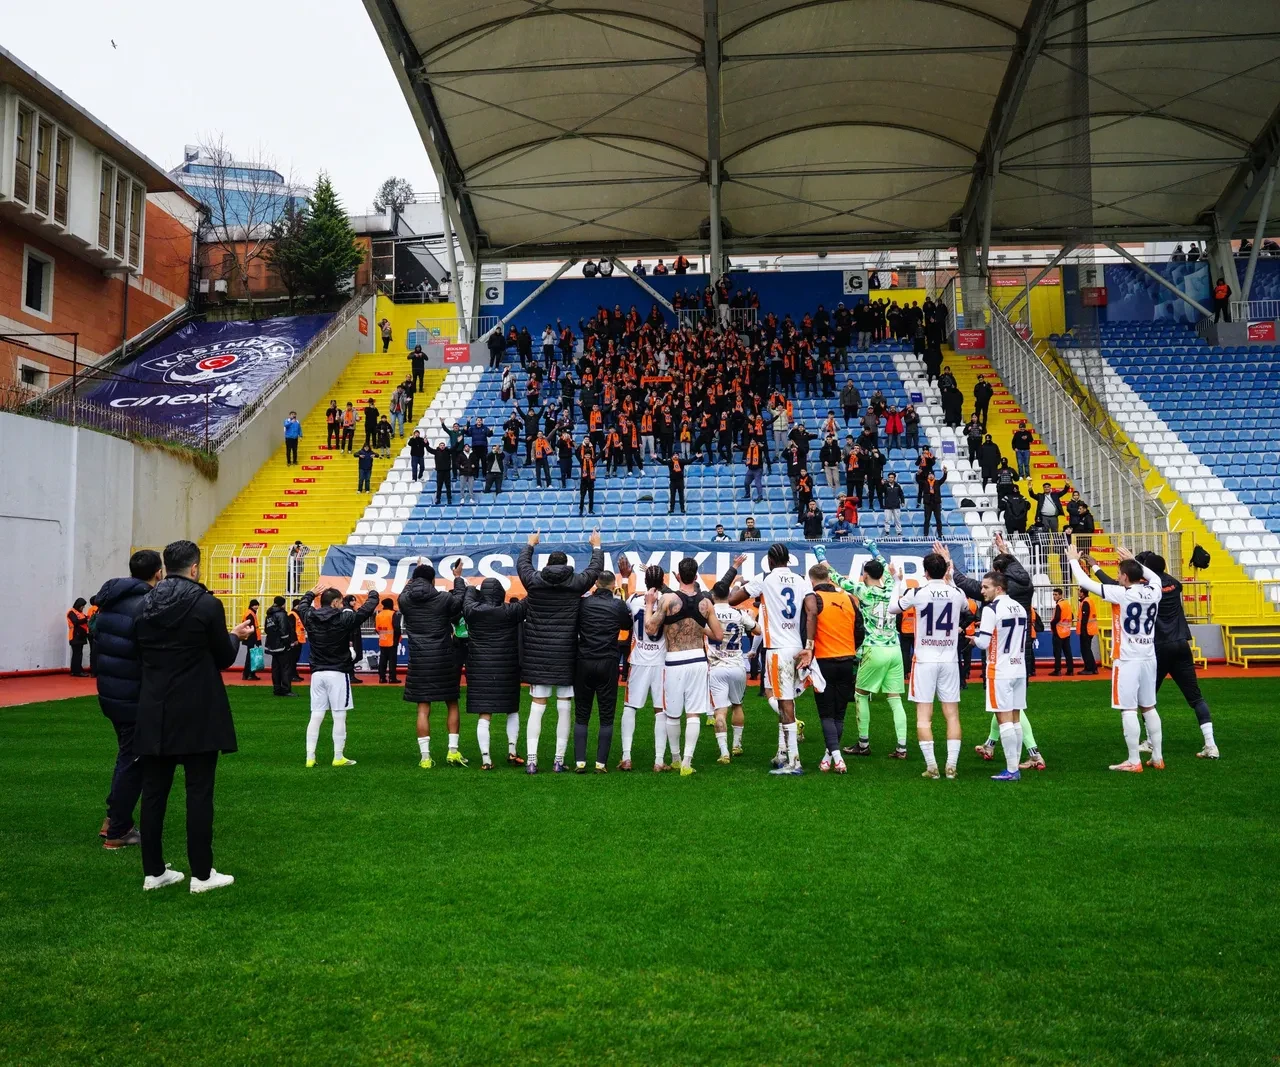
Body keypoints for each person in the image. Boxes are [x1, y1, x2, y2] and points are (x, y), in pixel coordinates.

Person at [134, 540, 254, 893]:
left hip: (155, 706)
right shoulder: (206, 604)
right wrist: (234, 636)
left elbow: (138, 651)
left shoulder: (144, 605)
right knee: (199, 792)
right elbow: (222, 658)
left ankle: (154, 872)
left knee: (154, 793)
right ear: (196, 568)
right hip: (198, 707)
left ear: (164, 568)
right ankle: (202, 874)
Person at [1089, 550, 1218, 758]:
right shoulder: (1175, 584)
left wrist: (1096, 567)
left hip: (1156, 648)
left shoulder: (1144, 589)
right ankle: (1211, 744)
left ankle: (1150, 742)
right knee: (1196, 698)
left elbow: (1115, 586)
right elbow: (1155, 578)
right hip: (1181, 643)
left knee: (1147, 702)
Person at [1067, 544, 1163, 772]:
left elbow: (1085, 583)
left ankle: (1133, 760)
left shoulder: (1123, 593)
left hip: (1128, 658)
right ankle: (1157, 757)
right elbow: (1154, 577)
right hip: (1149, 656)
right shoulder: (1155, 590)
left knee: (1128, 709)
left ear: (1126, 577)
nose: (1117, 577)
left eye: (1120, 574)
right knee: (1149, 707)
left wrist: (1072, 560)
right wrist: (1135, 561)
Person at [92, 549, 164, 850]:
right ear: (158, 573)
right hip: (132, 695)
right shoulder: (146, 604)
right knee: (133, 761)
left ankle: (114, 817)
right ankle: (118, 829)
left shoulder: (109, 602)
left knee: (127, 756)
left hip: (111, 691)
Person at [517, 529, 604, 772]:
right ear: (566, 565)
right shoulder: (575, 582)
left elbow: (522, 564)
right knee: (564, 706)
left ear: (547, 564)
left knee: (538, 705)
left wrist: (530, 544)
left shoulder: (534, 581)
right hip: (566, 653)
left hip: (538, 654)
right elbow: (595, 570)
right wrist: (596, 546)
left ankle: (532, 761)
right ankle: (558, 760)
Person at [815, 544, 909, 759]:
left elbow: (834, 577)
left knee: (860, 695)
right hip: (894, 648)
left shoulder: (863, 591)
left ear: (865, 574)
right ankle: (901, 747)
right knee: (895, 699)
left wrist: (821, 556)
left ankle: (863, 743)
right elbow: (886, 566)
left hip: (874, 649)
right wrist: (874, 550)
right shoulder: (890, 589)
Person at [729, 544, 816, 775]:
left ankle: (794, 761)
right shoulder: (800, 579)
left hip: (777, 648)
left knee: (783, 702)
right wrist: (809, 646)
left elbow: (732, 600)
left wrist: (740, 584)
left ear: (769, 560)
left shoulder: (765, 578)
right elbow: (812, 610)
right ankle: (782, 751)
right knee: (784, 699)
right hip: (797, 646)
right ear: (788, 559)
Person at [647, 557, 727, 776]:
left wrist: (647, 605)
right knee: (693, 713)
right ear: (696, 574)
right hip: (697, 660)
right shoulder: (707, 602)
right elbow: (719, 636)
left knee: (672, 714)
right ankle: (687, 762)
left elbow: (651, 629)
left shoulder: (667, 599)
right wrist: (699, 628)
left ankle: (675, 758)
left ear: (678, 576)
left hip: (674, 660)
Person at [893, 552, 968, 778]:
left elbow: (892, 608)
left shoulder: (917, 592)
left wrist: (897, 581)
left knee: (924, 716)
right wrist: (951, 575)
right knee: (952, 715)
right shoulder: (956, 593)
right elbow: (965, 607)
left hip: (925, 659)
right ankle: (951, 766)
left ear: (924, 572)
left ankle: (932, 767)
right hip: (949, 659)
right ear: (944, 570)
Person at [296, 586, 379, 766]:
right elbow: (367, 609)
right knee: (339, 715)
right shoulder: (343, 618)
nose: (342, 605)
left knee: (316, 715)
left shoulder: (310, 617)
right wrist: (372, 591)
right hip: (337, 672)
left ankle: (310, 757)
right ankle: (338, 756)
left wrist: (310, 593)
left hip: (317, 673)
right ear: (335, 602)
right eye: (340, 602)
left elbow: (302, 605)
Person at [456, 575, 527, 769]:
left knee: (484, 715)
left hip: (480, 668)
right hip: (507, 669)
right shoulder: (511, 611)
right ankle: (512, 751)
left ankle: (486, 759)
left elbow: (467, 596)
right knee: (512, 710)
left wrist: (469, 585)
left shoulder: (472, 610)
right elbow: (532, 598)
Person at [401, 561, 466, 767]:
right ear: (433, 580)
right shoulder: (444, 598)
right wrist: (457, 577)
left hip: (420, 660)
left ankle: (425, 757)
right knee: (452, 703)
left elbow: (406, 589)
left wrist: (415, 575)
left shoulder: (404, 600)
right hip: (444, 658)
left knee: (423, 708)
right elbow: (460, 599)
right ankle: (452, 751)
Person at [971, 570, 1029, 782]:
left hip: (1000, 670)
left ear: (998, 588)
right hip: (1018, 667)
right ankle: (1014, 766)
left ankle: (1012, 769)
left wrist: (972, 639)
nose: (982, 590)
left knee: (1003, 719)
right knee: (1015, 719)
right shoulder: (1020, 607)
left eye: (986, 587)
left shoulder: (991, 609)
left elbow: (984, 642)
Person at [574, 571, 634, 772]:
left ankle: (580, 762)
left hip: (584, 661)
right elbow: (627, 624)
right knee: (606, 716)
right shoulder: (617, 604)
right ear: (612, 584)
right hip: (608, 662)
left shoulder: (583, 603)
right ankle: (601, 763)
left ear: (596, 583)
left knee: (582, 714)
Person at [808, 562, 858, 774]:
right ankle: (828, 756)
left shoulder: (814, 600)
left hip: (824, 661)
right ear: (829, 579)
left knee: (826, 714)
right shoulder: (848, 598)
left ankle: (837, 757)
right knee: (839, 714)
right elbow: (860, 630)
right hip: (847, 660)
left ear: (812, 581)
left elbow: (808, 628)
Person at [623, 564, 673, 771]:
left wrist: (625, 579)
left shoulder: (634, 600)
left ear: (645, 582)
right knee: (660, 710)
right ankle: (659, 760)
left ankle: (626, 757)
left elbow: (623, 603)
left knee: (630, 707)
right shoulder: (669, 602)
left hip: (638, 661)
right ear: (663, 581)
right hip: (661, 662)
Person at [708, 575, 757, 762]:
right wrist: (751, 620)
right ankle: (736, 745)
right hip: (737, 665)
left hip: (717, 666)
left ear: (713, 595)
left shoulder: (708, 613)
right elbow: (758, 630)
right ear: (729, 595)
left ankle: (724, 753)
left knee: (720, 711)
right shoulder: (738, 613)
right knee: (737, 705)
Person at [263, 595, 297, 697]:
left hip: (272, 646)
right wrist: (287, 643)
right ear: (283, 604)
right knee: (286, 668)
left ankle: (277, 689)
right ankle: (286, 689)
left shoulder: (269, 615)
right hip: (282, 646)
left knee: (276, 668)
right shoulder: (281, 614)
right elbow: (284, 630)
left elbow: (266, 630)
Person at [375, 598, 401, 683]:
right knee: (392, 661)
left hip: (382, 640)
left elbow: (376, 629)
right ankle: (392, 678)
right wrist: (398, 637)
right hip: (392, 641)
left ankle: (382, 678)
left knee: (383, 660)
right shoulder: (393, 614)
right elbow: (397, 628)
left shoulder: (379, 614)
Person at [1049, 588, 1075, 675]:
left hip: (1059, 631)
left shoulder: (1059, 605)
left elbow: (1056, 618)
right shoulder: (1067, 604)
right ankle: (1070, 670)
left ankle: (1057, 670)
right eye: (1053, 594)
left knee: (1057, 652)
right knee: (1068, 652)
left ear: (1060, 595)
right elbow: (1072, 616)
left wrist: (1052, 624)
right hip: (1066, 631)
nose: (1054, 596)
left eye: (1056, 595)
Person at [1077, 585, 1099, 675]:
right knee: (1087, 649)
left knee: (1085, 650)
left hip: (1087, 630)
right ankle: (1092, 668)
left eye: (1079, 591)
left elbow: (1084, 619)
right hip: (1090, 629)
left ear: (1082, 593)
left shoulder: (1085, 602)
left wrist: (1083, 632)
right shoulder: (1089, 601)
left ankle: (1089, 668)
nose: (1078, 592)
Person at [920, 466, 947, 537]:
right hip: (928, 503)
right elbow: (918, 480)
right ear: (928, 476)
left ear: (934, 476)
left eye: (932, 474)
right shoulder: (925, 483)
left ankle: (940, 533)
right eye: (929, 475)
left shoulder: (937, 482)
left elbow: (943, 479)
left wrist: (945, 473)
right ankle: (925, 534)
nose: (931, 476)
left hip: (936, 503)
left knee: (938, 519)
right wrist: (918, 474)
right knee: (927, 519)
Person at [428, 439, 455, 505]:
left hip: (447, 471)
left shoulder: (448, 451)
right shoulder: (436, 451)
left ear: (445, 446)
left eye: (443, 445)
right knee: (439, 486)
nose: (442, 446)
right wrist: (426, 443)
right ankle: (438, 499)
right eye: (441, 445)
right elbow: (429, 449)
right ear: (439, 446)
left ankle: (449, 499)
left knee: (448, 486)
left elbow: (454, 448)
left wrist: (457, 442)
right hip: (439, 472)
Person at [67, 598, 90, 676]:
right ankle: (77, 671)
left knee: (78, 654)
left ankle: (76, 670)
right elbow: (75, 622)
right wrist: (86, 619)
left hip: (80, 636)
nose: (83, 608)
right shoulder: (71, 612)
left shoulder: (80, 613)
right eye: (82, 606)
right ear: (78, 605)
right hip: (75, 636)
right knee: (77, 654)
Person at [240, 599, 261, 680]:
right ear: (252, 605)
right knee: (251, 657)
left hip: (250, 638)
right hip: (251, 638)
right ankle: (249, 674)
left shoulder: (250, 613)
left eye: (257, 605)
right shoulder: (250, 614)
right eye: (255, 605)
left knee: (250, 657)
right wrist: (257, 640)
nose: (257, 607)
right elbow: (252, 628)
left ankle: (248, 674)